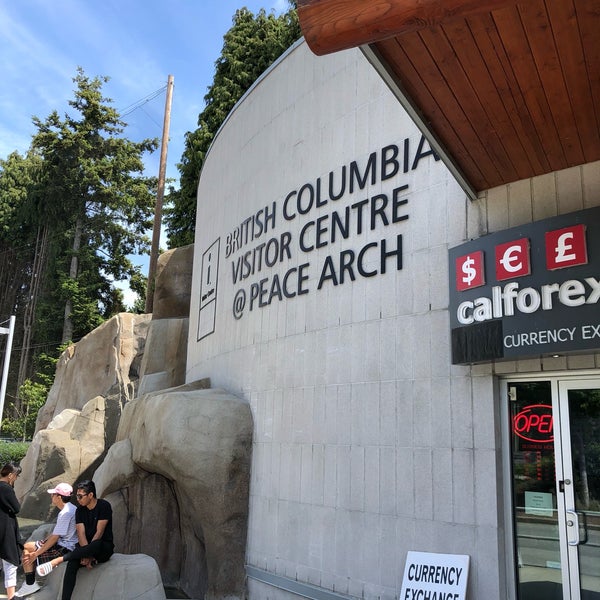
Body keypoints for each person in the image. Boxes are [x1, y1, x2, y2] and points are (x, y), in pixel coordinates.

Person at [36, 480, 114, 600]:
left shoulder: (104, 506)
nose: (77, 499)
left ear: (91, 495)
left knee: (97, 543)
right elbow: (81, 533)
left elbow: (99, 532)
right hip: (84, 549)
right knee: (72, 565)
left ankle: (57, 561)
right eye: (77, 496)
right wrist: (86, 554)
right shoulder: (80, 510)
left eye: (80, 496)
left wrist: (89, 553)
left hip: (102, 547)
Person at [16, 482, 78, 597]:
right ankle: (30, 582)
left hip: (64, 547)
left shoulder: (66, 513)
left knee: (28, 552)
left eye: (53, 494)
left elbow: (55, 537)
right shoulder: (70, 508)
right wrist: (42, 543)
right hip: (63, 542)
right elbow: (56, 533)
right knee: (27, 546)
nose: (51, 497)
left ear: (59, 497)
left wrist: (37, 553)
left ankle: (30, 583)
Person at [0, 462, 23, 600]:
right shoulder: (6, 489)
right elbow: (16, 508)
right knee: (10, 563)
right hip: (5, 529)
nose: (16, 479)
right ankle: (11, 596)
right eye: (16, 476)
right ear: (10, 475)